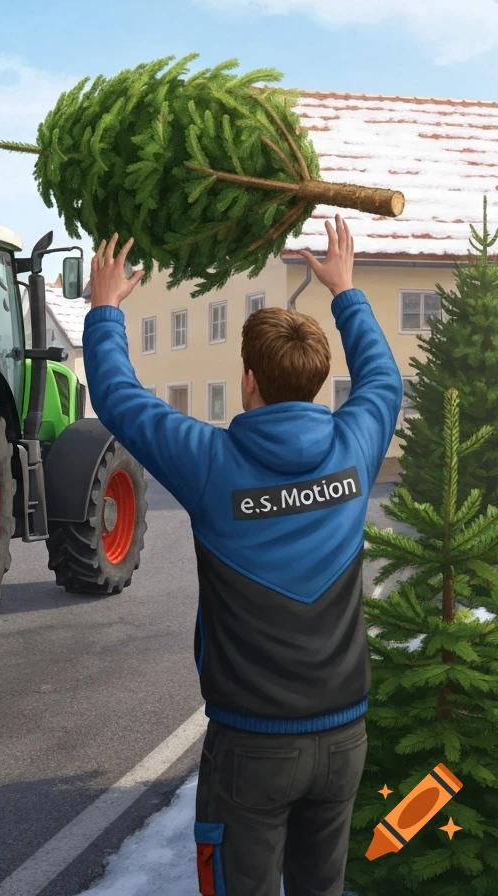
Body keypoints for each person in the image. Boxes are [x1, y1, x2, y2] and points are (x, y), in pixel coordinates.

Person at [81, 216, 402, 896]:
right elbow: (383, 380)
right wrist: (345, 290)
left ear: (249, 380)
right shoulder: (357, 447)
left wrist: (106, 307)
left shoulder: (212, 463)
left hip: (252, 749)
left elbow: (117, 398)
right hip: (345, 737)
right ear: (318, 381)